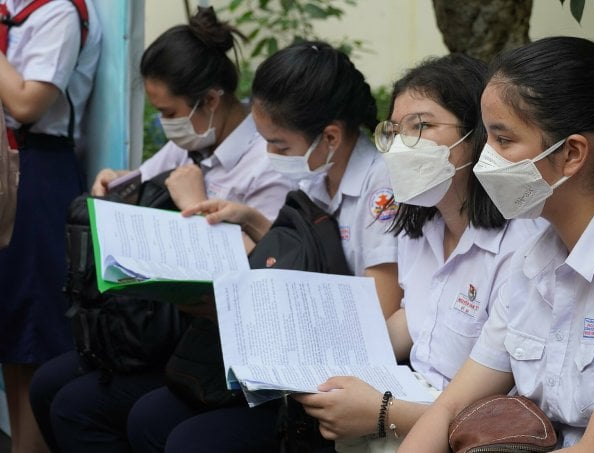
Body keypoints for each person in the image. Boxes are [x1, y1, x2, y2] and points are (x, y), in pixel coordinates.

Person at [28, 7, 292, 452]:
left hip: (218, 342)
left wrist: (194, 203)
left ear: (210, 100)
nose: (166, 124)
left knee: (77, 405)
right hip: (167, 327)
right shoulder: (190, 141)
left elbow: (256, 268)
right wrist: (117, 181)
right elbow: (139, 189)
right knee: (48, 384)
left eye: (169, 112)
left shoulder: (266, 164)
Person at [400, 36, 594, 453]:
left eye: (504, 140)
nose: (483, 159)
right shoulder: (535, 256)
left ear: (571, 154)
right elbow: (448, 408)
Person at [126, 40, 402, 452]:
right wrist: (252, 219)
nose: (270, 155)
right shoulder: (316, 169)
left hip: (335, 379)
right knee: (150, 417)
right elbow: (309, 249)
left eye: (279, 145)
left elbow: (377, 312)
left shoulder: (380, 188)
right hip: (291, 356)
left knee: (190, 441)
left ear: (329, 136)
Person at [290, 54, 545, 451]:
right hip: (407, 405)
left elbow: (500, 410)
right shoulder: (420, 226)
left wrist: (381, 411)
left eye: (422, 126)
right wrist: (322, 363)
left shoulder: (523, 244)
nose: (401, 146)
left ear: (478, 134)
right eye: (394, 131)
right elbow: (414, 319)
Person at [0, 0, 101, 451]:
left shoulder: (58, 12)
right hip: (9, 165)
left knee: (37, 336)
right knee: (12, 335)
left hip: (36, 170)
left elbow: (26, 103)